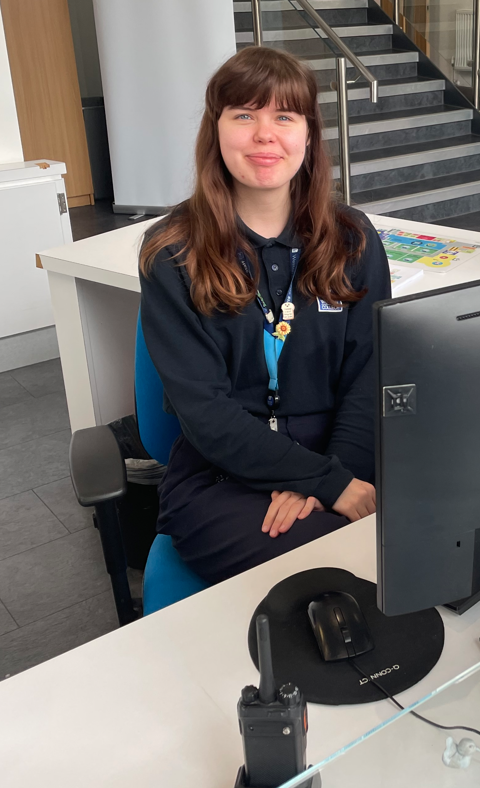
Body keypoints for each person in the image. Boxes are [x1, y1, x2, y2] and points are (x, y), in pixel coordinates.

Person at [138, 46, 390, 585]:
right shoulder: (173, 253)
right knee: (352, 565)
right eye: (244, 115)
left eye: (284, 116)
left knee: (429, 532)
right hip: (222, 476)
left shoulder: (352, 238)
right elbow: (205, 414)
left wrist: (332, 476)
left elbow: (370, 376)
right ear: (217, 130)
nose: (264, 135)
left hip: (340, 453)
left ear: (308, 134)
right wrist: (327, 485)